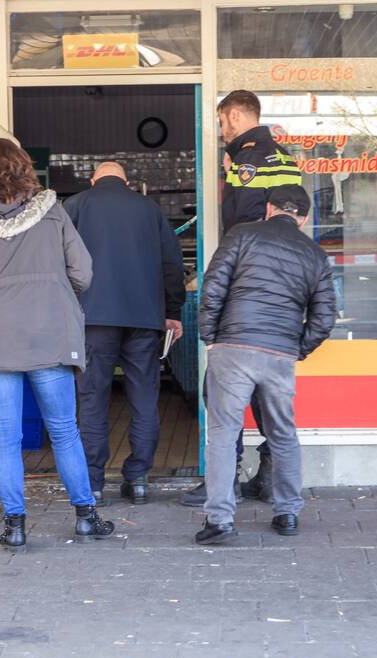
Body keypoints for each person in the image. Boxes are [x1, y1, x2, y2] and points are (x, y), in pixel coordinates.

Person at [0, 138, 114, 551]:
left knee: (6, 436)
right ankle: (85, 516)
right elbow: (84, 272)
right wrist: (55, 297)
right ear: (22, 166)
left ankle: (15, 525)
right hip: (50, 334)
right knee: (65, 431)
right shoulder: (51, 211)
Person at [180, 89, 303, 509]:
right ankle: (270, 479)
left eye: (220, 122)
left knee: (221, 391)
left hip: (247, 284)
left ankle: (226, 481)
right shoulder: (285, 156)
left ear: (233, 115)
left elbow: (240, 225)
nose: (220, 130)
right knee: (270, 396)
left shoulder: (247, 160)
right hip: (282, 290)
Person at [194, 185, 336, 545]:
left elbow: (213, 288)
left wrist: (211, 337)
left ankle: (220, 520)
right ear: (303, 218)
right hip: (279, 353)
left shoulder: (241, 235)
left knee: (224, 434)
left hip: (233, 345)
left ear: (269, 208)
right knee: (283, 433)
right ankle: (287, 513)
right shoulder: (314, 254)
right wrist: (296, 349)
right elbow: (324, 317)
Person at [64, 162, 186, 505]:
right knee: (145, 398)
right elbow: (171, 264)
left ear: (93, 181)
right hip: (144, 320)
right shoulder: (149, 209)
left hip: (92, 320)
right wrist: (172, 312)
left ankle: (93, 483)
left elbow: (59, 262)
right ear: (127, 182)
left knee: (92, 399)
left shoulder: (75, 206)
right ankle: (138, 478)